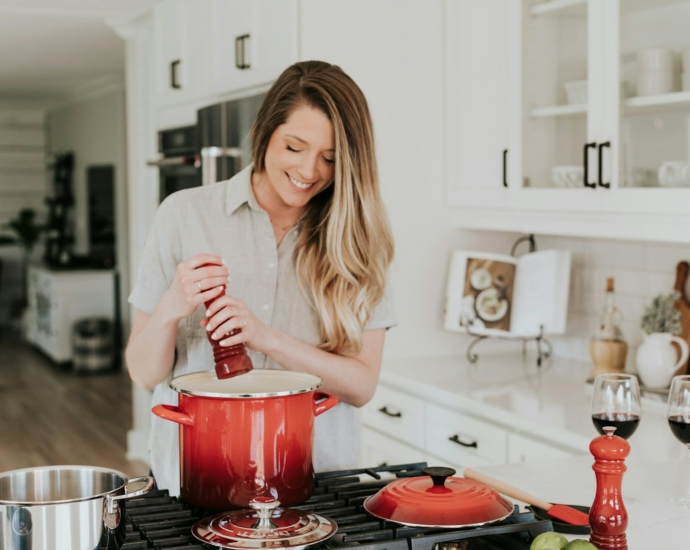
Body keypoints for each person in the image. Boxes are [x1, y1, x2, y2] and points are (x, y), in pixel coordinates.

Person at [125, 60, 396, 495]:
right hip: (197, 482)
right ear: (264, 133)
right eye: (294, 147)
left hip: (316, 487)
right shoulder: (183, 214)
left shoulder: (359, 241)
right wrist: (170, 308)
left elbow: (362, 386)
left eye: (330, 158)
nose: (310, 171)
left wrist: (264, 337)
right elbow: (141, 372)